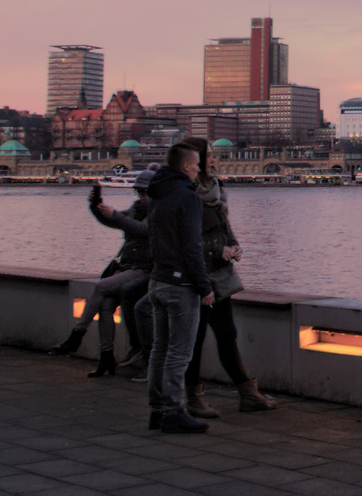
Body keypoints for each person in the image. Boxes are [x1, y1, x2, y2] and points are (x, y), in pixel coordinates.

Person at [180, 136, 277, 417]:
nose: (212, 160)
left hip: (218, 276)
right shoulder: (186, 195)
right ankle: (193, 398)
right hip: (196, 276)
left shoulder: (217, 189)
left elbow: (224, 227)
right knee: (196, 337)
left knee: (227, 334)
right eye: (208, 156)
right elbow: (185, 241)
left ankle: (247, 394)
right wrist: (216, 249)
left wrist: (234, 245)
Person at [48, 170, 154, 376]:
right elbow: (114, 220)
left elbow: (142, 229)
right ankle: (106, 358)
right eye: (139, 192)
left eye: (145, 192)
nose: (141, 197)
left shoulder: (158, 211)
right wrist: (96, 207)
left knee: (101, 286)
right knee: (105, 305)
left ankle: (77, 335)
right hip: (127, 266)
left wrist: (113, 214)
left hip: (143, 267)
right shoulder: (136, 208)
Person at [146, 143, 212, 434]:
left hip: (158, 280)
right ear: (185, 167)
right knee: (178, 353)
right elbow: (191, 247)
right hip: (181, 284)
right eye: (196, 164)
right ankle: (174, 412)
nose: (199, 169)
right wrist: (204, 285)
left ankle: (158, 411)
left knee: (159, 350)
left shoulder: (157, 194)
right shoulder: (188, 198)